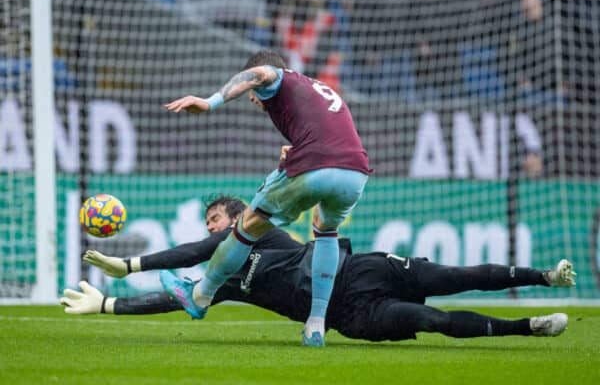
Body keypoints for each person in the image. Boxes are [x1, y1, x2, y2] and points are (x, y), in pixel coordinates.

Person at [72, 196, 576, 342]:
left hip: (362, 273)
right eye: (207, 225)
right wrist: (109, 304)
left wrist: (131, 263)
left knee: (456, 275)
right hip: (349, 315)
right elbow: (170, 298)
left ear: (235, 218)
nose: (211, 231)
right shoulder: (219, 283)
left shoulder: (261, 230)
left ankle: (544, 277)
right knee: (432, 321)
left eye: (216, 221)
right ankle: (528, 329)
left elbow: (188, 251)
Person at [162, 49, 371, 346]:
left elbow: (259, 74)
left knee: (246, 226)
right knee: (326, 231)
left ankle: (200, 295)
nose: (250, 96)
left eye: (252, 92)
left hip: (318, 165)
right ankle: (316, 325)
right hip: (355, 173)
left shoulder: (277, 79)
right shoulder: (316, 88)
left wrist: (209, 103)